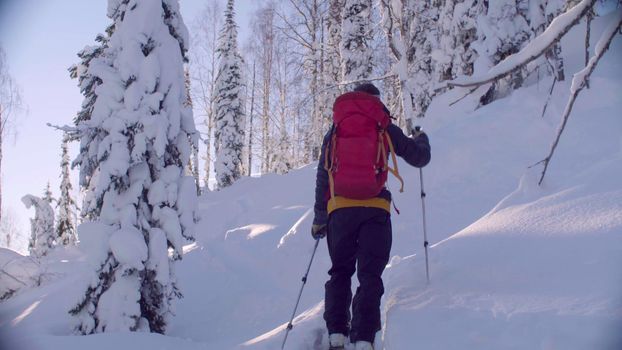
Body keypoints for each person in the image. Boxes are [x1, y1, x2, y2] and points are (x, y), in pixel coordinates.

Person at [311, 83, 431, 350]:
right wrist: (421, 138)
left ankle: (336, 334)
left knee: (340, 271)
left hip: (339, 211)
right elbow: (419, 158)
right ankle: (364, 338)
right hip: (375, 209)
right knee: (370, 275)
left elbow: (323, 175)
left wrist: (320, 217)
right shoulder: (382, 125)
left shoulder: (336, 130)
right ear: (377, 102)